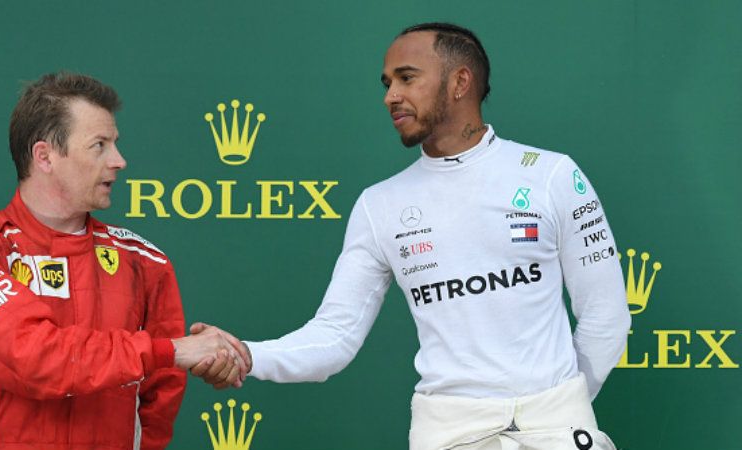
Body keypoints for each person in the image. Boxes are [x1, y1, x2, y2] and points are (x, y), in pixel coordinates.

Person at [197, 23, 631, 449]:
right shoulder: (379, 204)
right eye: (387, 83)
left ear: (460, 82)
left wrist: (556, 408)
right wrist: (248, 355)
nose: (391, 96)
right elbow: (335, 336)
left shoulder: (552, 174)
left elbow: (606, 317)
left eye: (407, 78)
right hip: (448, 435)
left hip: (556, 432)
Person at [0, 72, 248, 450]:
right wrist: (175, 349)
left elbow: (159, 401)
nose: (119, 161)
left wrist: (209, 358)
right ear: (45, 157)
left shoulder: (144, 261)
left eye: (115, 144)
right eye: (99, 145)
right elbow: (34, 357)